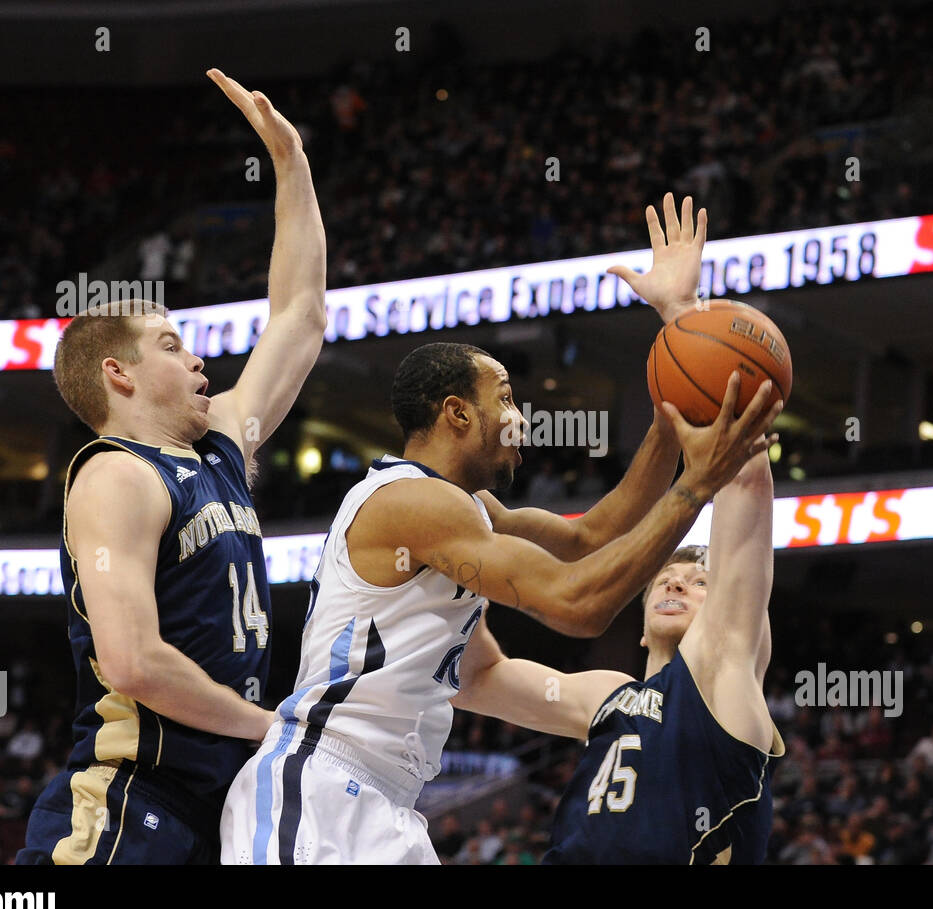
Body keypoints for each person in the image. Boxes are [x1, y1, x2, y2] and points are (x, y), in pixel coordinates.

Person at [221, 194, 780, 864]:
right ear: (456, 413)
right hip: (319, 785)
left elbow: (591, 536)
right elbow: (578, 602)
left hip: (388, 805)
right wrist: (695, 484)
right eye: (506, 398)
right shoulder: (413, 504)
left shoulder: (474, 510)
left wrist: (676, 380)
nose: (522, 418)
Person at [17, 69, 327, 865]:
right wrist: (275, 726)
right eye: (171, 344)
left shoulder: (219, 444)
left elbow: (299, 316)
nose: (198, 359)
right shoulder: (115, 475)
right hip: (128, 799)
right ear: (117, 374)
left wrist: (292, 169)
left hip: (215, 805)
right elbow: (129, 659)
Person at [454, 442, 785, 864]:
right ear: (643, 631)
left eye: (699, 582)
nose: (675, 584)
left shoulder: (727, 679)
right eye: (665, 579)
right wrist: (457, 561)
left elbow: (744, 489)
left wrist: (735, 421)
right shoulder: (610, 696)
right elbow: (475, 680)